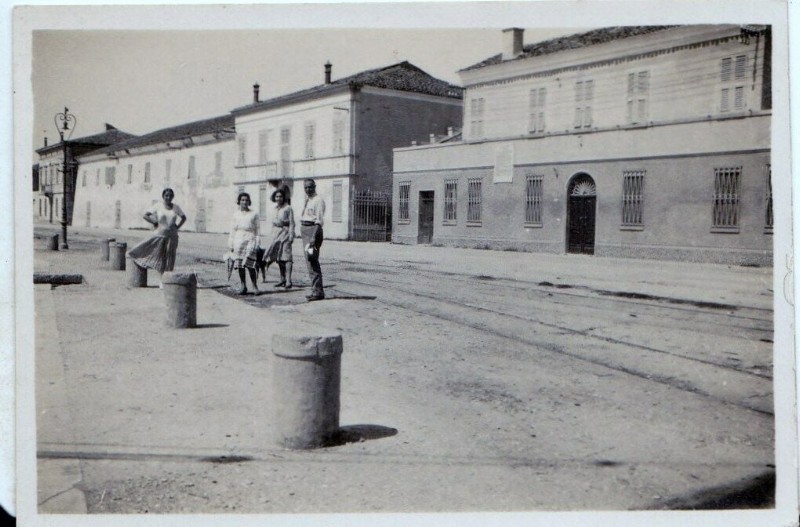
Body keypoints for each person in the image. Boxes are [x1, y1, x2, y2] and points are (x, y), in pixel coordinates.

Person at [127, 187, 187, 285]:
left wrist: (177, 226)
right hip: (159, 235)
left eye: (170, 196)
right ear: (163, 196)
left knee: (170, 259)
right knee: (160, 258)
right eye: (166, 195)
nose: (168, 197)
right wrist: (154, 222)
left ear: (173, 197)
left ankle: (167, 281)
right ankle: (161, 280)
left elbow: (184, 217)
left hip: (172, 237)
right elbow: (145, 215)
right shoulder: (158, 206)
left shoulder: (176, 207)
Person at [228, 192, 261, 295]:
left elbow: (257, 229)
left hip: (250, 238)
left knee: (250, 264)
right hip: (238, 239)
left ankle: (255, 286)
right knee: (240, 265)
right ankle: (243, 285)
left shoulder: (254, 214)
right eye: (242, 200)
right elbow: (233, 229)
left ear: (249, 201)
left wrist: (257, 241)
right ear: (239, 201)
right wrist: (231, 243)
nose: (244, 202)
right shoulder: (236, 214)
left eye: (246, 200)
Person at [263, 188, 295, 289]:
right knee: (279, 257)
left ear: (284, 197)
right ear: (274, 198)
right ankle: (282, 279)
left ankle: (289, 280)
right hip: (275, 234)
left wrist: (291, 235)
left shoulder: (288, 208)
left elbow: (292, 223)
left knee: (287, 257)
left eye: (280, 196)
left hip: (285, 233)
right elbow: (273, 223)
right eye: (276, 196)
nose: (278, 198)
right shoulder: (274, 208)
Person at [300, 178, 325, 301]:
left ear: (315, 187)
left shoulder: (318, 200)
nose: (308, 189)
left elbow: (318, 221)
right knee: (309, 262)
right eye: (306, 187)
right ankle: (315, 290)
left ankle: (318, 292)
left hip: (312, 231)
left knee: (312, 261)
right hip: (306, 231)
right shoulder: (308, 200)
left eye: (310, 187)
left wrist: (313, 238)